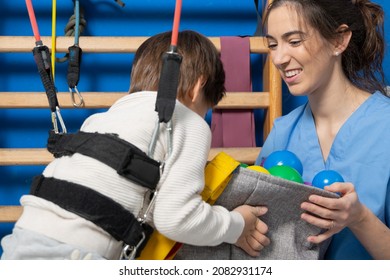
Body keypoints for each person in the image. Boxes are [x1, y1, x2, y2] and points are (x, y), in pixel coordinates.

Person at [1, 30, 270, 260]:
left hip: (20, 241)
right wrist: (237, 226)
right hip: (76, 255)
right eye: (205, 110)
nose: (203, 118)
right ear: (198, 88)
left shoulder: (100, 119)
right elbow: (176, 218)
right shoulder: (188, 120)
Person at [256, 0, 390, 259]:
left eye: (294, 41)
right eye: (272, 45)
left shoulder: (385, 127)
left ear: (338, 41)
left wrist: (359, 218)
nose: (279, 58)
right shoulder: (281, 135)